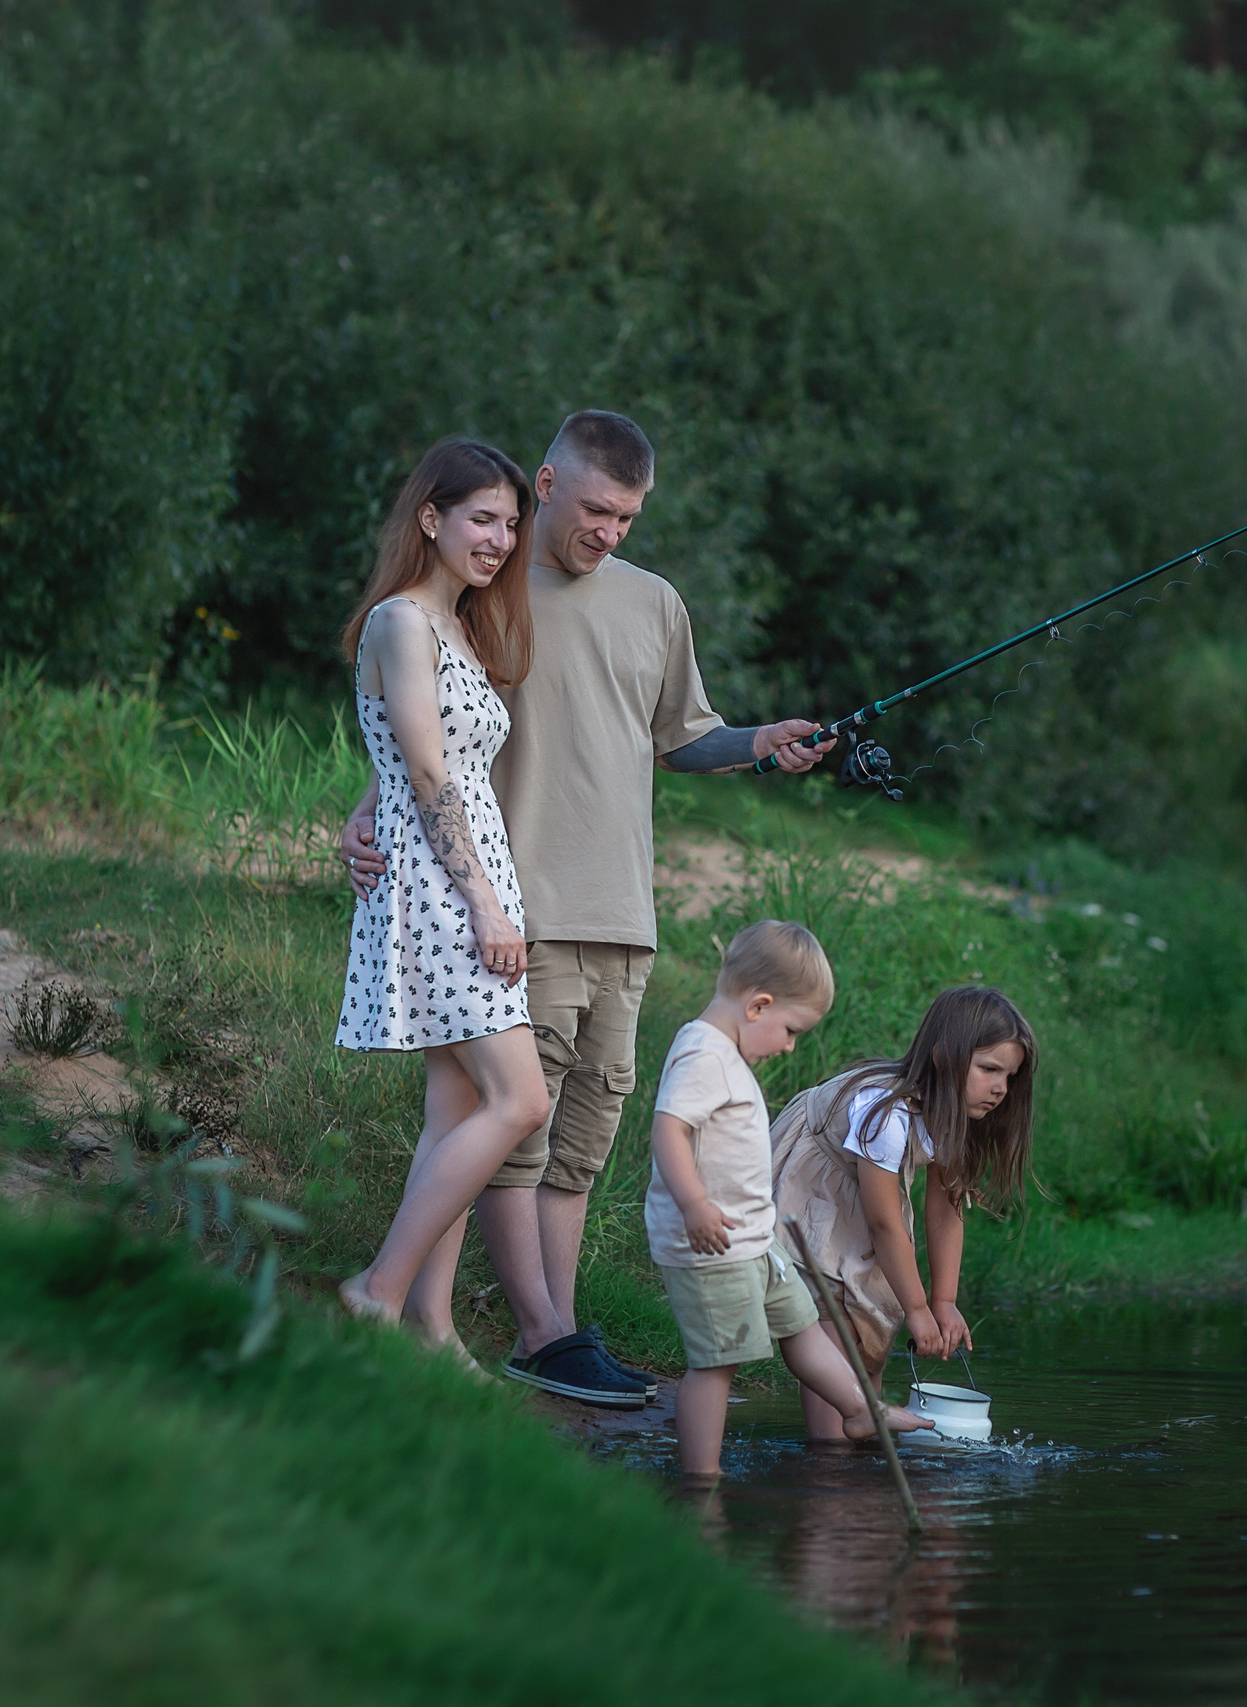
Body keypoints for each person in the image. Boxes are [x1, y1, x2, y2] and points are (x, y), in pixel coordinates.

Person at [341, 409, 834, 1404]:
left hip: (621, 912)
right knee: (513, 1113)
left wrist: (757, 742)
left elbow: (679, 737)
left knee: (575, 1130)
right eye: (598, 508)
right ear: (547, 483)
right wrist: (371, 814)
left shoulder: (648, 604)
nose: (609, 531)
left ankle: (492, 1330)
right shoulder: (485, 585)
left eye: (629, 517)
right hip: (506, 899)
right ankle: (526, 1328)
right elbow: (418, 734)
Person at [329, 436, 627, 1403]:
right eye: (480, 519)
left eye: (510, 522)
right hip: (444, 892)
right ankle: (378, 1289)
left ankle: (432, 1322)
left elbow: (411, 760)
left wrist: (370, 806)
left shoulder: (455, 624)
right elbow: (424, 768)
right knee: (523, 1101)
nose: (499, 539)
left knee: (455, 1111)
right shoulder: (402, 622)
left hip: (462, 874)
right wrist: (490, 904)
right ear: (431, 518)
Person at [646, 919, 932, 1478]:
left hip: (754, 1241)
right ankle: (701, 1479)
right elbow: (668, 1130)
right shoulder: (703, 1054)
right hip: (713, 1244)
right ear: (758, 1005)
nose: (790, 1045)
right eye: (791, 1030)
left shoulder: (728, 1053)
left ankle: (860, 1411)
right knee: (718, 1362)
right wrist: (695, 1204)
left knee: (803, 1327)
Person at [769, 985, 1038, 1441]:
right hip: (813, 1189)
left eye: (1009, 1077)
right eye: (989, 1069)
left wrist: (943, 1302)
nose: (1000, 1088)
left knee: (867, 1324)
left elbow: (945, 1211)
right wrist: (917, 1309)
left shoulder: (953, 1114)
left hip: (863, 1198)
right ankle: (829, 1456)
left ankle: (862, 1428)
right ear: (943, 1057)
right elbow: (884, 1224)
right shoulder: (886, 1114)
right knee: (831, 1312)